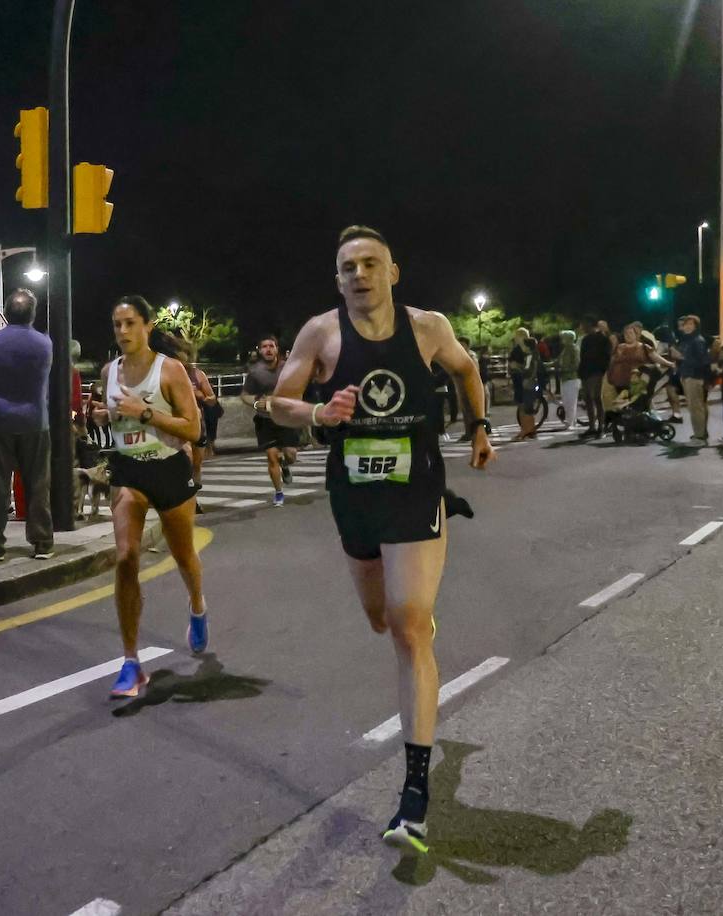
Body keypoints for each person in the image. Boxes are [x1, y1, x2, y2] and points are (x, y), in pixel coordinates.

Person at [267, 225, 495, 855]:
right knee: (381, 619)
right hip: (355, 496)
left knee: (409, 625)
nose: (360, 274)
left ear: (394, 272)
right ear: (338, 279)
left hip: (415, 488)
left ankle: (414, 796)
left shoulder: (428, 328)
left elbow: (468, 369)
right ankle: (411, 615)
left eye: (371, 264)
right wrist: (317, 413)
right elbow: (278, 400)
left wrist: (479, 428)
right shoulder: (322, 332)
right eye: (348, 267)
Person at [92, 296, 207, 698]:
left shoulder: (170, 370)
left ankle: (197, 605)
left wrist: (144, 413)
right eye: (116, 325)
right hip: (129, 470)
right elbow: (105, 411)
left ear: (146, 327)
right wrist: (104, 416)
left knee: (183, 555)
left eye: (129, 323)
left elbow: (194, 430)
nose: (122, 332)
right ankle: (130, 662)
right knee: (125, 557)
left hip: (169, 467)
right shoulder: (108, 372)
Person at [0, 288, 54, 561]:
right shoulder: (45, 344)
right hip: (35, 420)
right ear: (33, 313)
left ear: (7, 314)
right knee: (37, 482)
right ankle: (42, 541)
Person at [241, 334, 300, 506]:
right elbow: (245, 395)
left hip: (285, 418)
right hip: (265, 420)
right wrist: (257, 404)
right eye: (264, 346)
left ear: (277, 349)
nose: (268, 349)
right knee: (271, 456)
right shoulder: (255, 372)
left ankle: (286, 465)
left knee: (291, 454)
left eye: (271, 346)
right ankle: (279, 492)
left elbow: (298, 387)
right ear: (260, 351)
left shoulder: (287, 368)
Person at [178, 339, 219, 512]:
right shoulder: (168, 374)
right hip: (178, 426)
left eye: (184, 354)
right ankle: (190, 502)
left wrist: (201, 396)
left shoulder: (197, 375)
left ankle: (194, 495)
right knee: (186, 461)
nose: (181, 358)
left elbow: (212, 400)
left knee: (196, 464)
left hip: (197, 424)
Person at [602, 323, 671, 413]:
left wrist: (670, 364)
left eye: (631, 333)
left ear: (636, 335)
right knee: (623, 405)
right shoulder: (620, 347)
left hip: (637, 382)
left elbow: (656, 357)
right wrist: (608, 375)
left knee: (637, 404)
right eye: (626, 334)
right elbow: (612, 361)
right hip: (620, 382)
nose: (628, 335)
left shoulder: (644, 347)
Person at [673, 315, 711, 445]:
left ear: (696, 326)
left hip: (694, 377)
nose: (687, 326)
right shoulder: (687, 340)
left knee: (696, 407)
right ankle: (700, 433)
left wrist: (681, 357)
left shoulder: (697, 340)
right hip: (688, 375)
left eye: (690, 324)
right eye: (685, 324)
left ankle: (699, 437)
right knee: (696, 407)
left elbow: (702, 361)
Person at [577, 317, 612, 438]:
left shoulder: (602, 339)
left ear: (590, 325)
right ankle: (592, 426)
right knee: (588, 399)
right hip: (587, 372)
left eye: (583, 325)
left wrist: (603, 371)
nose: (582, 328)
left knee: (597, 398)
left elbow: (607, 357)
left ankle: (601, 427)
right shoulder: (586, 339)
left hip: (597, 372)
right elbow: (583, 357)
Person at [557, 329, 580, 431]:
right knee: (566, 401)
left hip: (572, 378)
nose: (562, 340)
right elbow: (557, 361)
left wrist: (565, 369)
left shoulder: (574, 349)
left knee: (571, 401)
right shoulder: (565, 349)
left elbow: (576, 364)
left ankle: (571, 422)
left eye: (564, 338)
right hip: (565, 377)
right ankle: (569, 421)